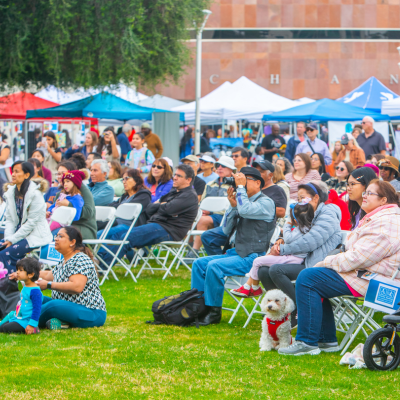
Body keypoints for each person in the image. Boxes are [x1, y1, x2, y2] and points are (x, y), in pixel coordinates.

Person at [279, 180, 400, 356]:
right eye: (365, 192)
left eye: (369, 193)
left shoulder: (386, 224)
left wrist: (327, 261)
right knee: (314, 277)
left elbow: (358, 258)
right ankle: (326, 340)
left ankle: (307, 341)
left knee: (308, 278)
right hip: (366, 275)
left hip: (378, 283)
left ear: (383, 201)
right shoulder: (380, 219)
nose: (364, 196)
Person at [191, 167, 276, 326]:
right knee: (199, 264)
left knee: (214, 266)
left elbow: (245, 210)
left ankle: (213, 312)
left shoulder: (267, 202)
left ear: (258, 183)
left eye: (245, 179)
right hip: (235, 252)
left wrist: (241, 191)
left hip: (253, 256)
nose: (240, 183)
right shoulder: (243, 201)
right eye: (239, 180)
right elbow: (225, 230)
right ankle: (196, 307)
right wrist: (232, 206)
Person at [258, 181, 342, 329]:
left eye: (303, 197)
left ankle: (299, 309)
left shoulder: (328, 214)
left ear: (315, 198)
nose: (299, 202)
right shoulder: (307, 213)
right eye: (298, 198)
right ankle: (281, 311)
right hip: (302, 259)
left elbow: (310, 242)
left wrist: (283, 249)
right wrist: (282, 241)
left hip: (317, 263)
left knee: (276, 270)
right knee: (263, 270)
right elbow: (297, 235)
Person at [97, 164, 198, 268]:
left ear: (188, 180)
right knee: (118, 234)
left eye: (179, 176)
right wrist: (161, 205)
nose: (174, 177)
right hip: (157, 224)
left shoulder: (189, 195)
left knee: (127, 237)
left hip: (170, 230)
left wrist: (160, 205)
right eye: (175, 175)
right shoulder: (173, 192)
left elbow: (167, 209)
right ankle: (99, 260)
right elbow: (150, 208)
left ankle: (102, 267)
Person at [231, 201, 312, 299]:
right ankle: (248, 286)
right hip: (291, 256)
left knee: (257, 261)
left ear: (295, 220)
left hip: (293, 258)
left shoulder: (301, 229)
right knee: (265, 260)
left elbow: (288, 238)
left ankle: (254, 288)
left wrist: (287, 224)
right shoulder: (306, 228)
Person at [31, 226, 106, 330]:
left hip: (91, 312)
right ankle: (62, 323)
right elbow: (48, 275)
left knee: (53, 305)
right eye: (56, 236)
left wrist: (48, 285)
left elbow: (76, 287)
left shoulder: (80, 259)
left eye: (60, 236)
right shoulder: (64, 261)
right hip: (71, 307)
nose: (56, 239)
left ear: (72, 242)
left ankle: (23, 319)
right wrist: (26, 274)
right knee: (35, 297)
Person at [0, 161, 52, 274]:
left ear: (27, 175)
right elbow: (10, 220)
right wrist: (9, 239)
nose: (13, 174)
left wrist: (12, 240)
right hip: (16, 235)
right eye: (12, 171)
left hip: (34, 235)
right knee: (3, 247)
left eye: (17, 171)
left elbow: (31, 224)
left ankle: (8, 286)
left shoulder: (36, 194)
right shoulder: (10, 193)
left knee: (5, 254)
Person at [188, 156, 236, 258]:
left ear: (231, 169)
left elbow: (233, 206)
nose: (219, 168)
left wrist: (211, 212)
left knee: (202, 220)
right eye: (218, 165)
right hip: (209, 217)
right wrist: (203, 210)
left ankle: (194, 251)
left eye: (223, 166)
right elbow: (203, 202)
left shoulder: (235, 185)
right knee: (192, 218)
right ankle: (189, 247)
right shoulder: (210, 184)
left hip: (226, 218)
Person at [0, 258, 42, 334]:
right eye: (17, 270)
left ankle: (34, 329)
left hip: (26, 321)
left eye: (20, 270)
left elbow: (37, 309)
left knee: (6, 328)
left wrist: (31, 325)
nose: (17, 272)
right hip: (19, 318)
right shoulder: (26, 286)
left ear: (31, 274)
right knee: (2, 327)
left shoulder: (35, 291)